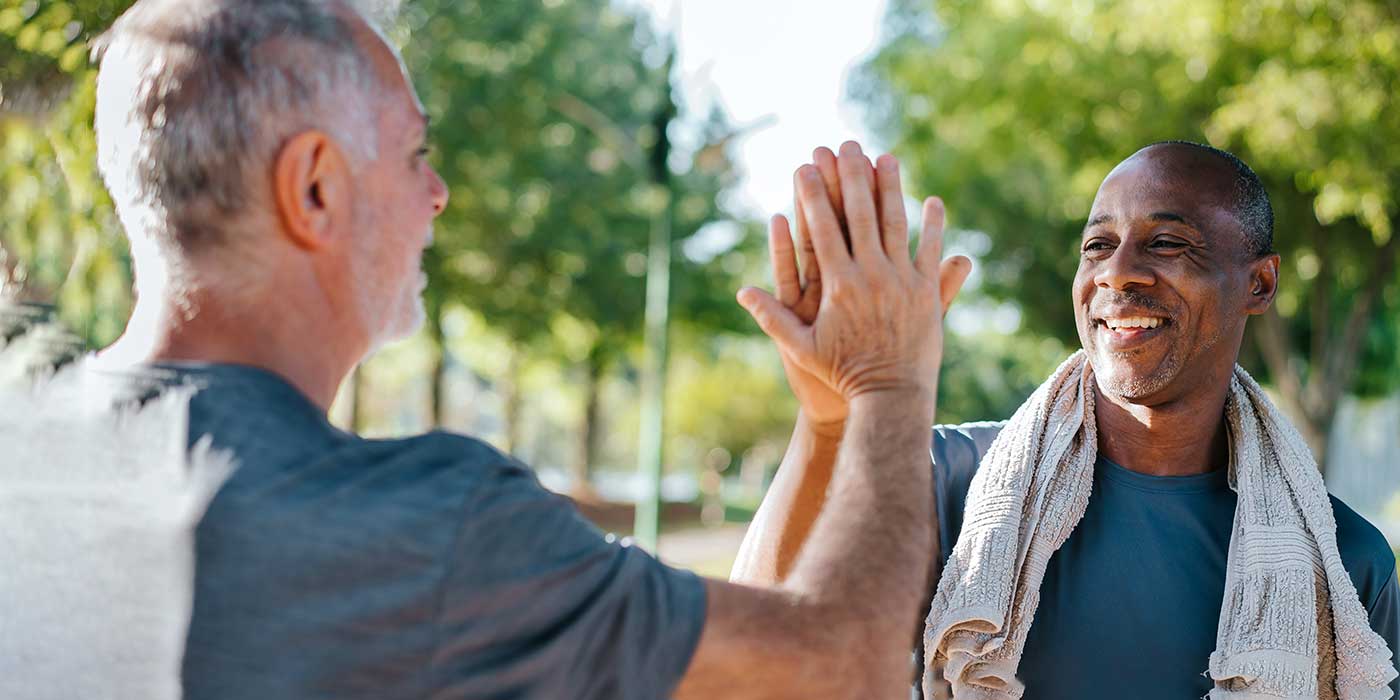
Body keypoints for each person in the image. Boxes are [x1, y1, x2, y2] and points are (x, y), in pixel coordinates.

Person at [51, 0, 973, 697]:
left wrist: (826, 425)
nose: (439, 193)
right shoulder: (422, 532)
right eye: (414, 155)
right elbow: (828, 667)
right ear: (317, 189)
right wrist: (893, 382)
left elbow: (743, 665)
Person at [736, 141, 1400, 699]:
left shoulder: (1343, 563)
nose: (1117, 274)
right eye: (1097, 245)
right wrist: (827, 420)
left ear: (1259, 283)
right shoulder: (949, 485)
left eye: (1166, 243)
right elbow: (764, 653)